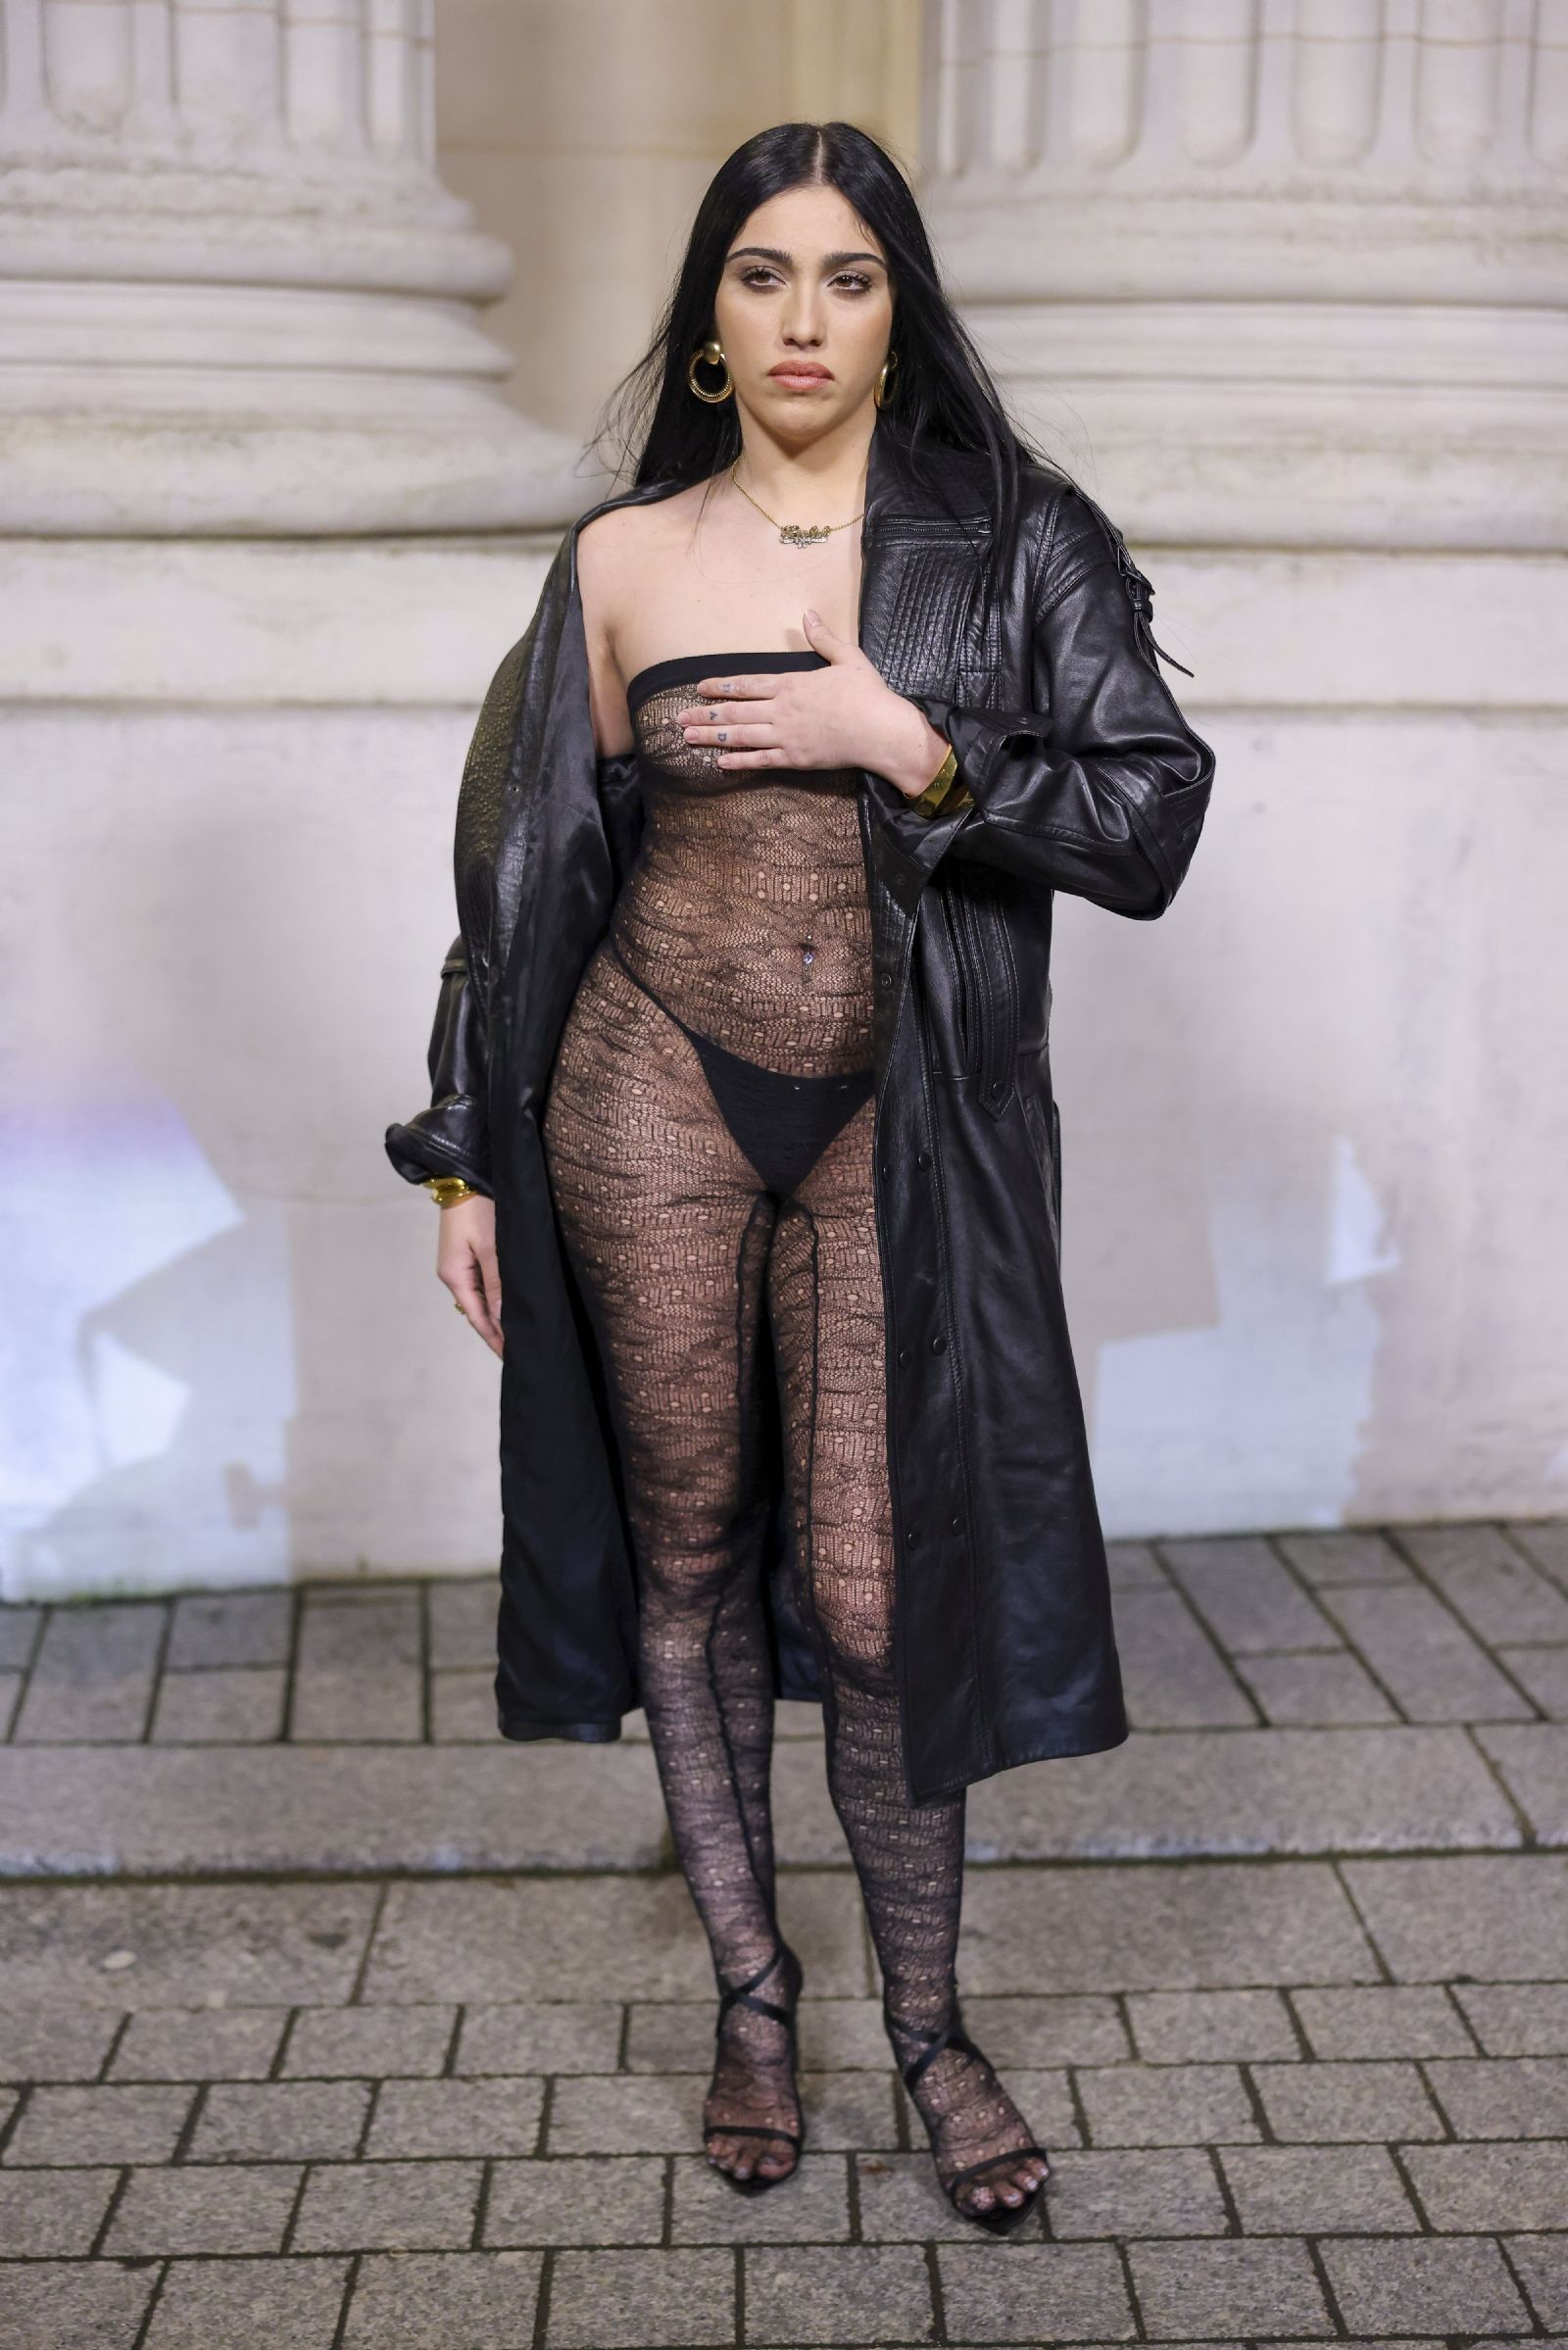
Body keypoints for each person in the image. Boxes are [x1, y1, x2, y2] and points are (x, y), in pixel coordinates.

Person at [385, 121, 1214, 2234]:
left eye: (848, 278)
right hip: (644, 1089)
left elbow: (1144, 817)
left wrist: (906, 740)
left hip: (891, 1113)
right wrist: (463, 1159)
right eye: (762, 275)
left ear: (898, 311)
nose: (803, 320)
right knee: (683, 1550)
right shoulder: (618, 560)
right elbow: (518, 880)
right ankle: (753, 1996)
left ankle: (928, 2028)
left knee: (869, 1591)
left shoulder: (1016, 540)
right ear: (709, 317)